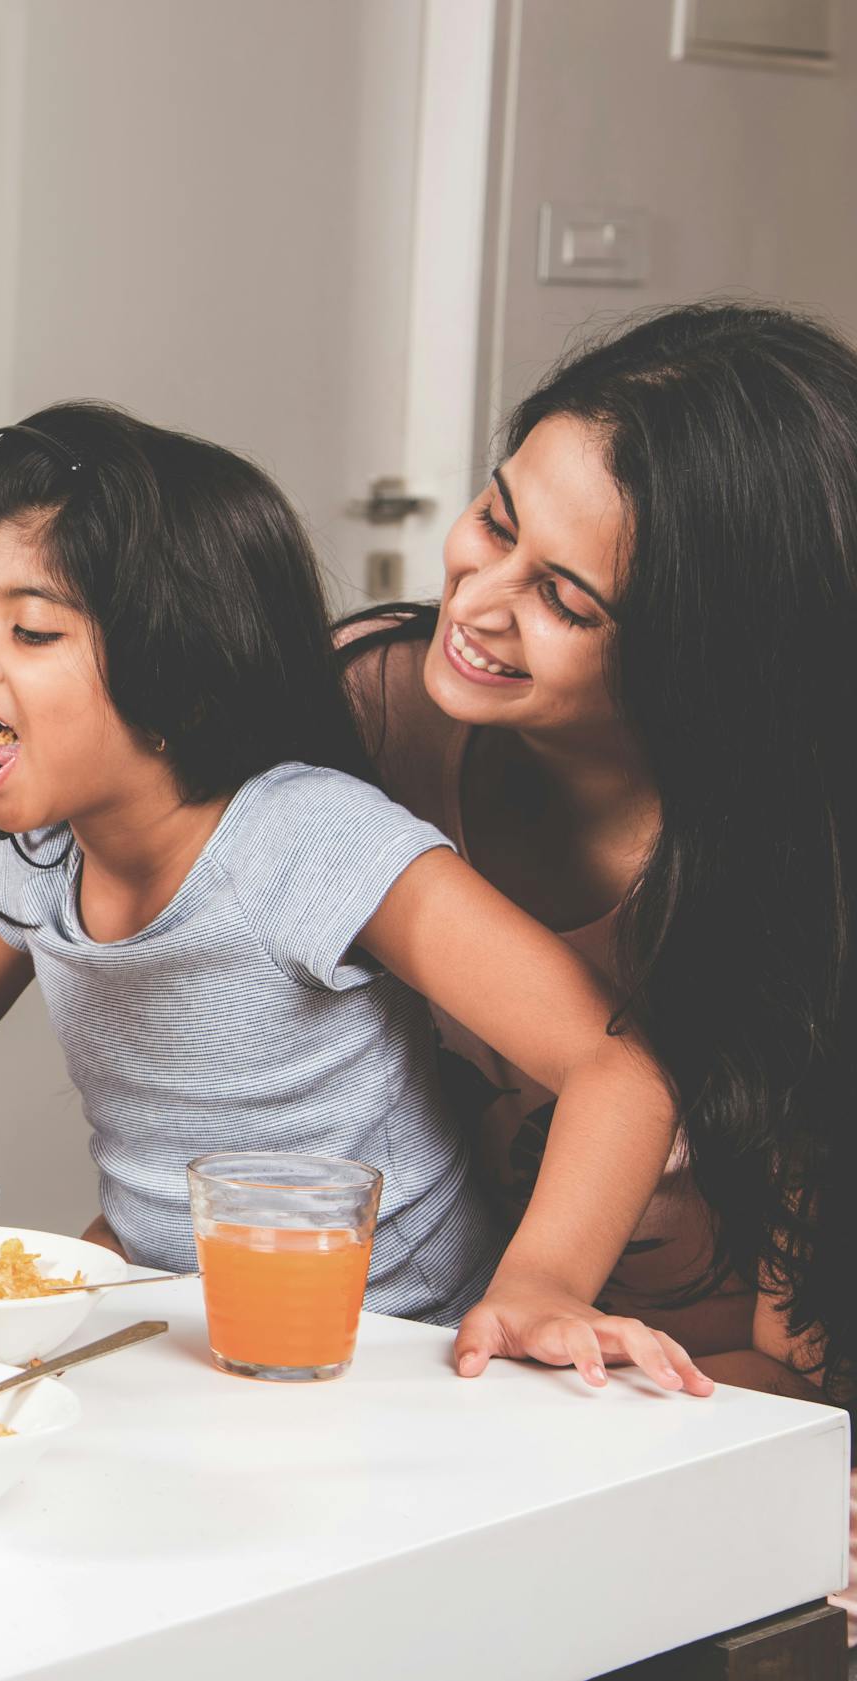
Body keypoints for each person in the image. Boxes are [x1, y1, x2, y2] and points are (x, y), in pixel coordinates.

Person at [0, 403, 707, 1391]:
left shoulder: (309, 841)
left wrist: (540, 1287)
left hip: (390, 1348)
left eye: (32, 632)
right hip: (173, 1326)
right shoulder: (42, 855)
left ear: (178, 685)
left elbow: (614, 1063)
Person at [339, 302, 857, 1637]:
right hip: (388, 1417)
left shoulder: (810, 901)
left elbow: (800, 1379)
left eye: (564, 598)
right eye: (497, 520)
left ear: (707, 662)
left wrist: (554, 1372)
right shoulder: (362, 714)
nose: (479, 599)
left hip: (665, 1469)